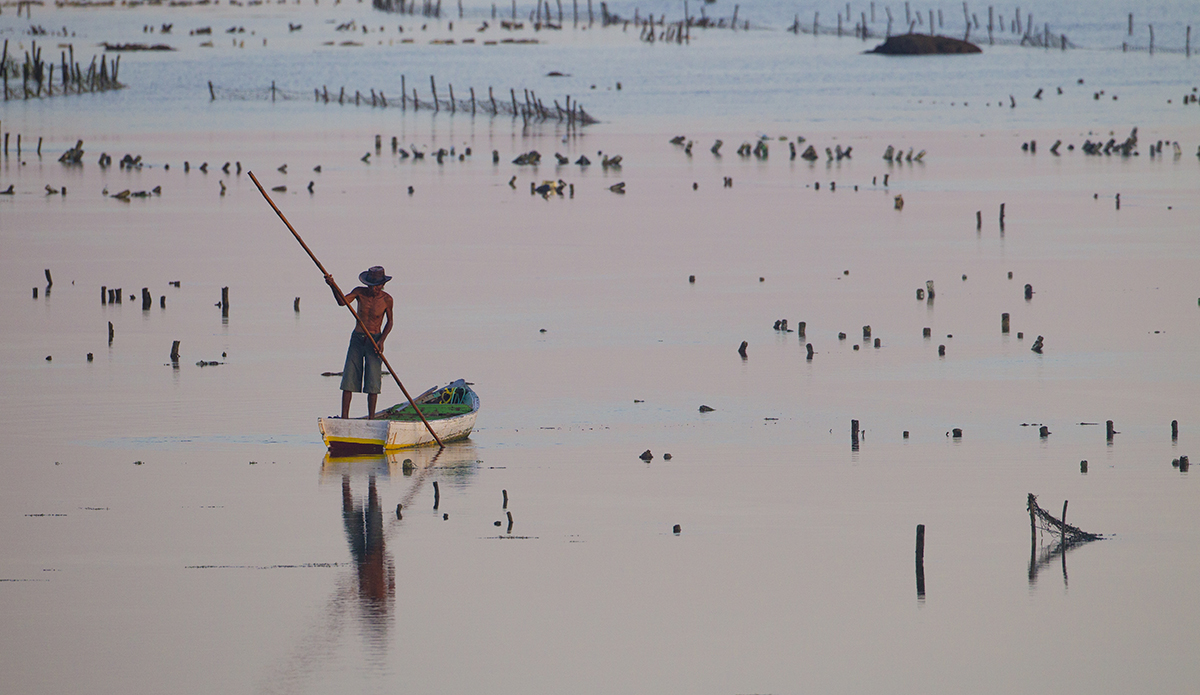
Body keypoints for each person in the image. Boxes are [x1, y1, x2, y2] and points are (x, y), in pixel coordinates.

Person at [326, 266, 394, 419]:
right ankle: (344, 418)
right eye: (371, 286)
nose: (373, 289)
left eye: (376, 286)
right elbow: (342, 302)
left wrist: (382, 341)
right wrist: (332, 286)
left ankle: (371, 418)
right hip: (357, 338)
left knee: (373, 381)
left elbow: (390, 322)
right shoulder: (359, 292)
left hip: (374, 341)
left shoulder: (387, 299)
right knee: (349, 377)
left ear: (382, 285)